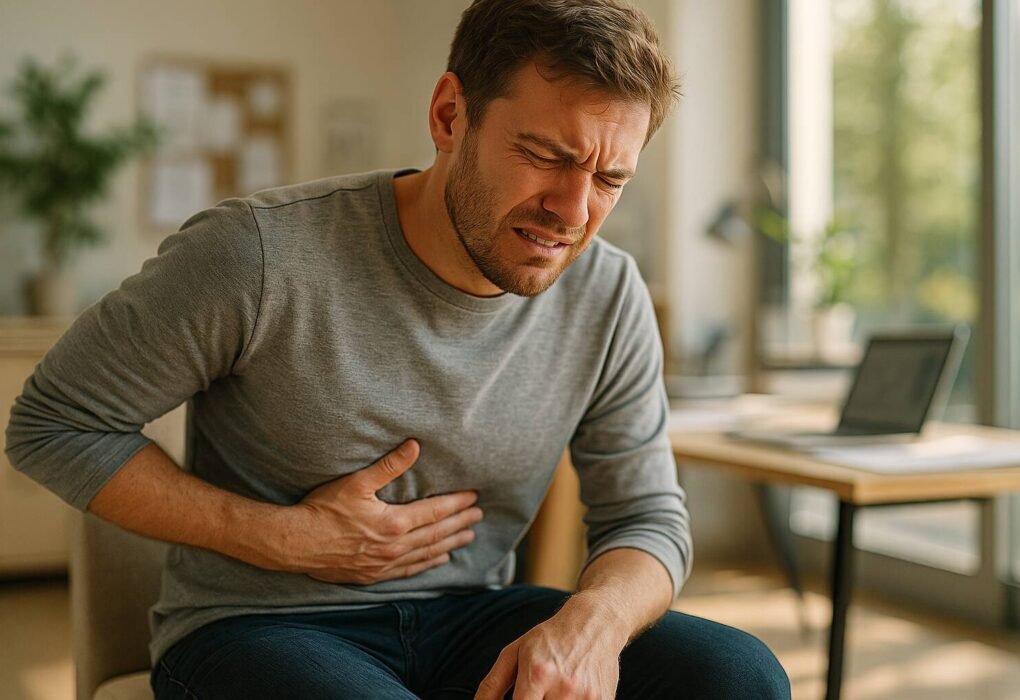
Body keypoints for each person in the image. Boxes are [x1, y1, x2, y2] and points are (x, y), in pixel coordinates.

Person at [6, 1, 791, 698]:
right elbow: (51, 423)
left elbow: (648, 517)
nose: (573, 211)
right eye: (548, 156)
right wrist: (285, 537)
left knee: (739, 675)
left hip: (470, 615)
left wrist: (594, 620)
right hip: (256, 627)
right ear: (451, 116)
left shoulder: (609, 294)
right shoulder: (257, 254)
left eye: (610, 178)